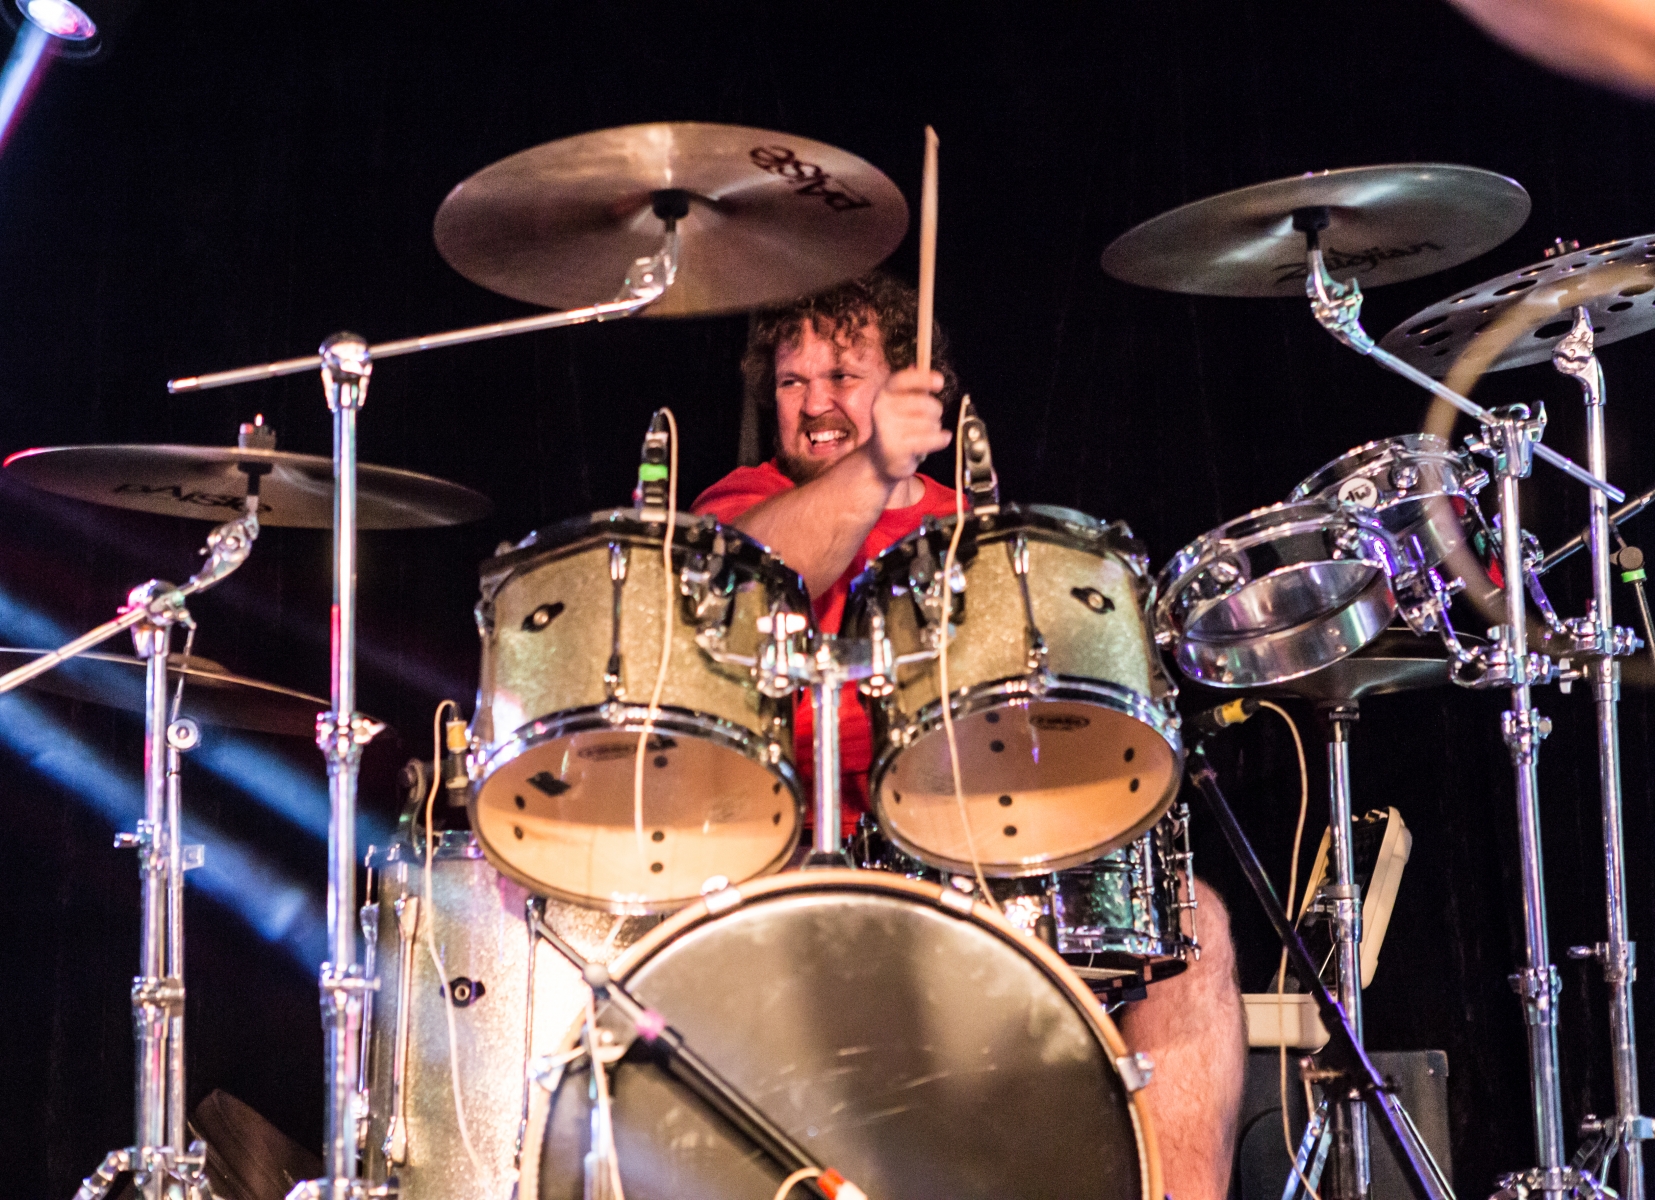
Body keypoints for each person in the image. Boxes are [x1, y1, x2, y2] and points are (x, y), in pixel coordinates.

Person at [693, 274, 1247, 1199]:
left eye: (842, 375)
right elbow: (751, 584)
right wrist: (872, 466)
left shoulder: (971, 526)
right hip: (794, 855)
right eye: (792, 382)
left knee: (1195, 926)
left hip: (972, 850)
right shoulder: (746, 502)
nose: (816, 403)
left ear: (910, 383)